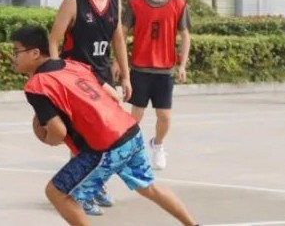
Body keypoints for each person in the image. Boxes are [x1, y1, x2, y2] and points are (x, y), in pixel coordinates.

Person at [12, 25, 199, 226]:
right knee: (148, 187)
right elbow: (111, 94)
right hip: (129, 130)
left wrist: (47, 138)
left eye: (16, 52)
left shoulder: (37, 85)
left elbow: (58, 131)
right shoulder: (72, 65)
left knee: (57, 192)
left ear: (35, 53)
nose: (13, 57)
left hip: (105, 145)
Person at [48, 0, 132, 216]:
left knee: (107, 136)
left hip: (103, 77)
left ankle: (95, 185)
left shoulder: (115, 0)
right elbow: (54, 40)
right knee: (83, 139)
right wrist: (56, 73)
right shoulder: (73, 2)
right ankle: (79, 191)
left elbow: (118, 40)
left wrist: (126, 75)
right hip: (77, 78)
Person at [123, 0, 191, 170]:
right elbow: (121, 34)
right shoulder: (135, 4)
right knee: (136, 114)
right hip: (140, 68)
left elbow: (185, 36)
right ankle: (130, 150)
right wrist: (119, 62)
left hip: (165, 70)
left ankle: (158, 145)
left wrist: (182, 65)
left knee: (164, 116)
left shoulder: (178, 4)